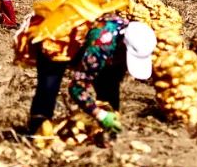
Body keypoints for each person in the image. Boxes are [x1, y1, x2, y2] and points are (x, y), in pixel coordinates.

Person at [25, 13, 157, 136]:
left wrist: (110, 111)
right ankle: (38, 132)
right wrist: (100, 115)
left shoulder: (136, 36)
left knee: (109, 83)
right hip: (56, 38)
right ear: (123, 46)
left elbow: (111, 82)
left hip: (91, 44)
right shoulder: (101, 46)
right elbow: (77, 87)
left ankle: (105, 135)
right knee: (49, 87)